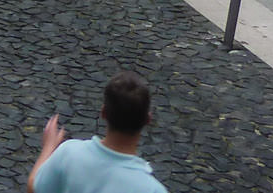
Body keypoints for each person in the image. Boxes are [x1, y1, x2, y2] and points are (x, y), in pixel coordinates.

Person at [25, 72, 167, 193]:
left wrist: (48, 147)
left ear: (104, 113)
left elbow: (34, 187)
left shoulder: (69, 153)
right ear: (147, 119)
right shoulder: (152, 189)